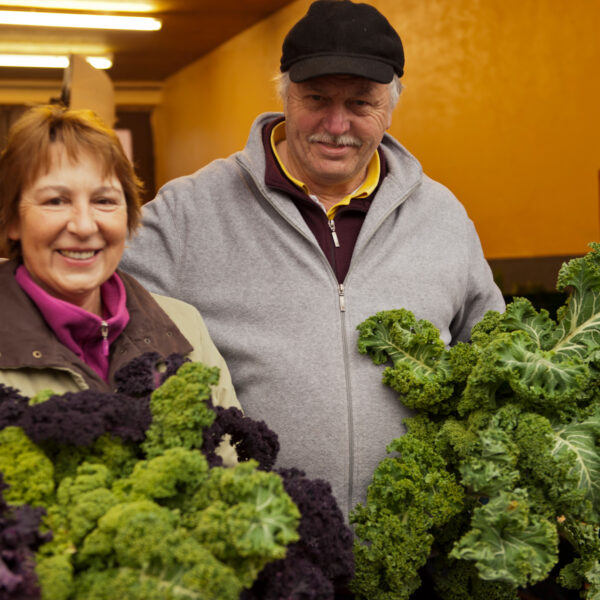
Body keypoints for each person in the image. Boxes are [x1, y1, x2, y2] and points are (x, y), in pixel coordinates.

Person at [120, 0, 505, 517]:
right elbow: (99, 320)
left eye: (361, 103)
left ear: (391, 104)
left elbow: (490, 355)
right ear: (284, 94)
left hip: (415, 547)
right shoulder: (189, 210)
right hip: (255, 543)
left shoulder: (443, 217)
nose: (336, 123)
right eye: (316, 98)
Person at [0, 103, 239, 415]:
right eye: (55, 201)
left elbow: (232, 457)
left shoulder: (184, 326)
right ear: (13, 221)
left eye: (104, 201)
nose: (84, 226)